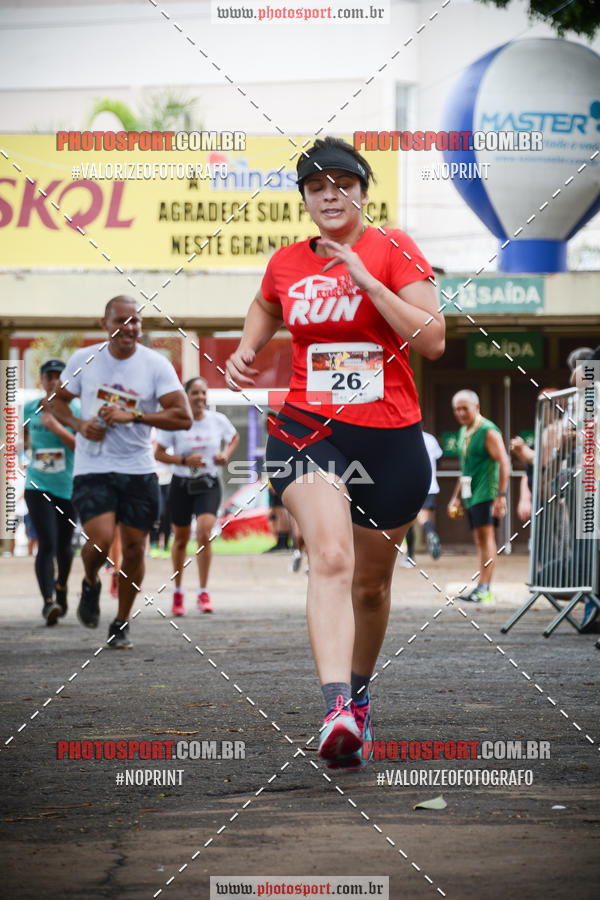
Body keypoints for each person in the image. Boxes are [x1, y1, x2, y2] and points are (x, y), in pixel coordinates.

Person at [225, 136, 445, 768]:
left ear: (363, 192)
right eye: (317, 187)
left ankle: (361, 693)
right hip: (307, 429)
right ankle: (335, 709)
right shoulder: (287, 262)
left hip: (391, 437)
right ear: (304, 199)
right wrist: (250, 347)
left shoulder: (393, 247)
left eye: (342, 184)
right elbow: (267, 302)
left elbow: (432, 340)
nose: (330, 195)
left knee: (372, 587)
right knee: (329, 556)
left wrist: (368, 281)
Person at [51, 296, 192, 649]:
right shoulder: (84, 360)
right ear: (105, 323)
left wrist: (138, 416)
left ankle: (120, 621)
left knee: (133, 549)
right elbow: (55, 402)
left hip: (138, 469)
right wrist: (79, 424)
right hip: (94, 465)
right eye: (121, 320)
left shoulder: (155, 365)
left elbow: (182, 416)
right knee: (98, 541)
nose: (128, 328)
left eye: (135, 321)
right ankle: (90, 582)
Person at [155, 376, 239, 616]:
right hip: (181, 484)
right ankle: (178, 592)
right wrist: (183, 460)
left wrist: (226, 454)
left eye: (204, 393)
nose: (200, 398)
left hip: (208, 484)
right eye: (195, 393)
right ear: (186, 396)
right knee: (180, 539)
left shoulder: (217, 420)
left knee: (204, 533)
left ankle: (203, 592)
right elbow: (159, 454)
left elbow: (234, 437)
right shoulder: (176, 422)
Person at [23, 359, 78, 625]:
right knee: (46, 543)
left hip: (68, 487)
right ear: (42, 380)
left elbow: (82, 447)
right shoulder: (29, 409)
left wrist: (57, 425)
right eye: (49, 376)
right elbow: (19, 440)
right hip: (37, 485)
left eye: (60, 375)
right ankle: (48, 603)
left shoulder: (75, 408)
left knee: (65, 547)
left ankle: (62, 587)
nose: (54, 380)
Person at [448, 390, 510, 605]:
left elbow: (505, 463)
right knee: (479, 540)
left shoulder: (488, 431)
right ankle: (481, 586)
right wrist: (455, 497)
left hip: (487, 493)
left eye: (465, 408)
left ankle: (486, 588)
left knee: (487, 539)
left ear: (477, 407)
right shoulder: (464, 431)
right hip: (470, 495)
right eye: (457, 409)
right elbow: (465, 469)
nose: (460, 412)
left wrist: (501, 495)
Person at [402, 431, 443, 565]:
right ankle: (431, 533)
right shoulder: (431, 439)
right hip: (430, 485)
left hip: (410, 486)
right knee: (424, 518)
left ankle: (410, 556)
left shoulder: (405, 438)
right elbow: (439, 460)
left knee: (409, 522)